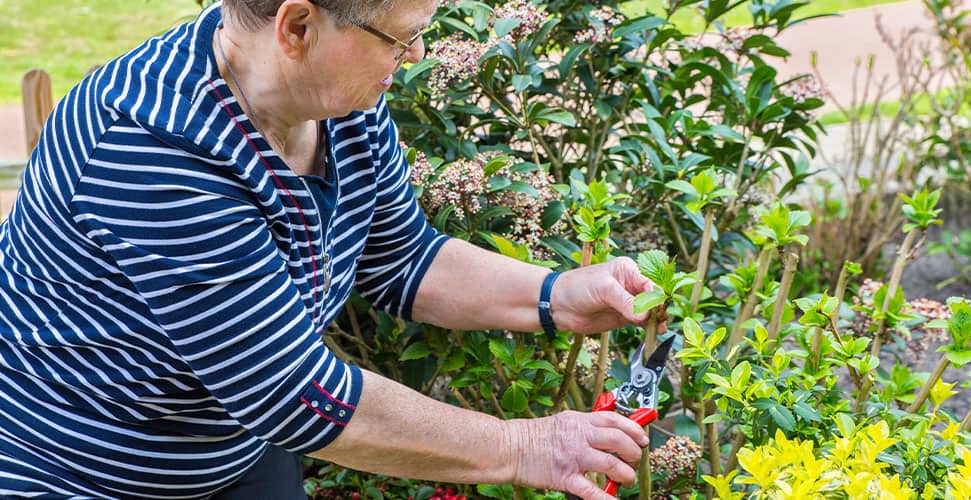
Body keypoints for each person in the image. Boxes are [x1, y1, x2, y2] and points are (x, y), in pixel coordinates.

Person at [0, 1, 656, 498]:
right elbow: (295, 394)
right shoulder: (150, 154)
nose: (418, 51)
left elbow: (401, 257)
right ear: (296, 28)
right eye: (402, 36)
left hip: (237, 449)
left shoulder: (334, 97)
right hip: (83, 474)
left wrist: (556, 295)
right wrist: (528, 446)